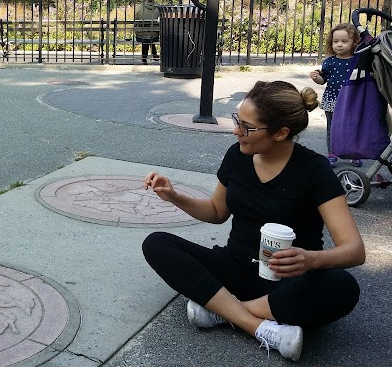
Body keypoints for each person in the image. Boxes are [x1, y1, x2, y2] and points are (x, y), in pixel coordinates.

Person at [142, 80, 365, 362]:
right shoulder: (238, 155)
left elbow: (354, 250)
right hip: (235, 266)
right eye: (238, 120)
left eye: (247, 127)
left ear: (281, 133)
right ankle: (259, 326)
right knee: (157, 244)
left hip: (290, 281)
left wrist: (310, 260)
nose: (237, 131)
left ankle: (222, 310)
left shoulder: (314, 170)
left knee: (343, 288)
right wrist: (173, 196)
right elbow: (215, 211)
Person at [310, 23, 363, 167]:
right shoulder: (329, 62)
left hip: (352, 101)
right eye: (335, 41)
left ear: (354, 43)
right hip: (332, 100)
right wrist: (316, 78)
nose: (339, 45)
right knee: (332, 128)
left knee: (353, 127)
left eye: (344, 41)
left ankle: (354, 153)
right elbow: (323, 80)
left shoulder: (358, 61)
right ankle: (332, 153)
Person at [134, 0, 160, 64]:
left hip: (140, 36)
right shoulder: (158, 8)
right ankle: (154, 54)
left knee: (146, 37)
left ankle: (144, 58)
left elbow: (135, 21)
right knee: (150, 36)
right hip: (154, 36)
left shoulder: (138, 7)